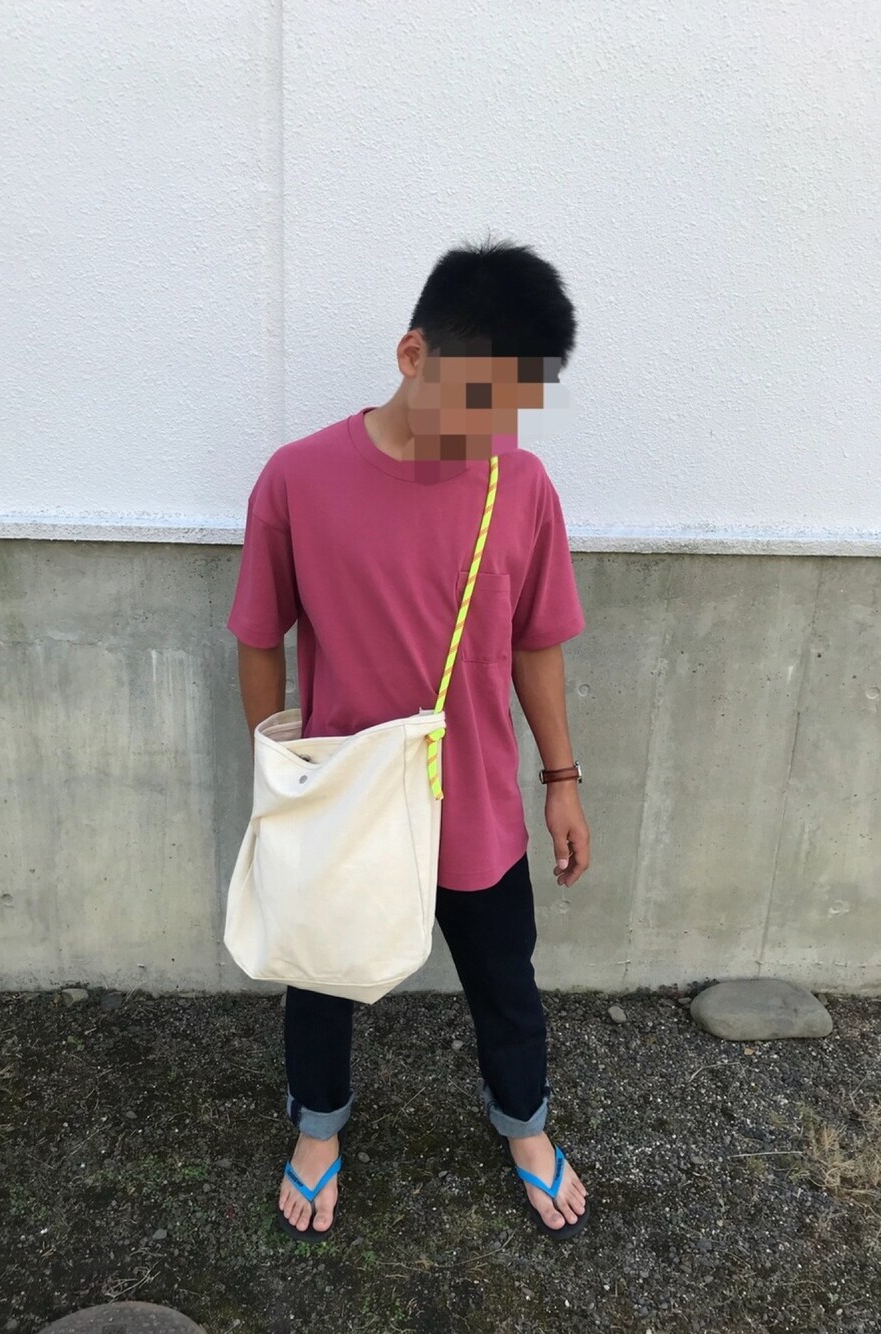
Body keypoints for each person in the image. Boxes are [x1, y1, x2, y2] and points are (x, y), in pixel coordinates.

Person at [227, 236, 591, 1243]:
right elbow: (258, 634)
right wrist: (280, 771)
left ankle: (524, 1125)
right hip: (344, 793)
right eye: (474, 401)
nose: (488, 431)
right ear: (412, 353)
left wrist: (561, 778)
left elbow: (537, 643)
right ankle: (317, 1128)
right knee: (322, 975)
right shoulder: (298, 479)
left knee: (506, 982)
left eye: (509, 409)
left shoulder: (521, 486)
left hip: (476, 798)